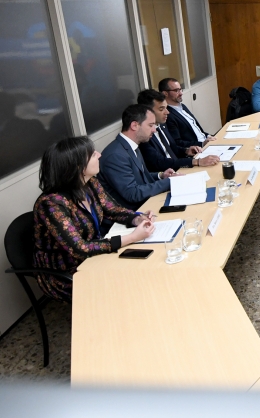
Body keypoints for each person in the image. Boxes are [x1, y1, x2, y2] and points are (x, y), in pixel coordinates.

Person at [33, 136, 156, 302]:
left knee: (144, 268)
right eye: (92, 154)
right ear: (77, 167)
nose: (99, 155)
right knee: (127, 283)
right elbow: (80, 248)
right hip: (67, 272)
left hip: (95, 255)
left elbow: (112, 209)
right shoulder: (51, 204)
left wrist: (136, 219)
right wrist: (132, 237)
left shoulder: (90, 184)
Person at [98, 104, 176, 210]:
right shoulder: (115, 156)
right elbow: (133, 193)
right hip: (133, 213)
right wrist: (170, 182)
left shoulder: (131, 145)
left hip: (146, 205)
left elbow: (140, 177)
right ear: (134, 125)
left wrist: (161, 176)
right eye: (150, 125)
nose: (154, 130)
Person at [136, 89, 220, 172]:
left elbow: (171, 147)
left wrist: (186, 150)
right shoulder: (144, 134)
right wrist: (196, 162)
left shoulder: (161, 124)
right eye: (161, 109)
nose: (167, 112)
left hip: (179, 166)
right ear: (147, 112)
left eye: (166, 108)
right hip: (168, 173)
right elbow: (160, 162)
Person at [158, 78, 216, 148]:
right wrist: (202, 144)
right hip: (198, 148)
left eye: (180, 89)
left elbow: (198, 130)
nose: (181, 93)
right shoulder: (168, 115)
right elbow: (177, 142)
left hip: (207, 140)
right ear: (165, 93)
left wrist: (209, 136)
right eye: (176, 90)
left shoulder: (183, 106)